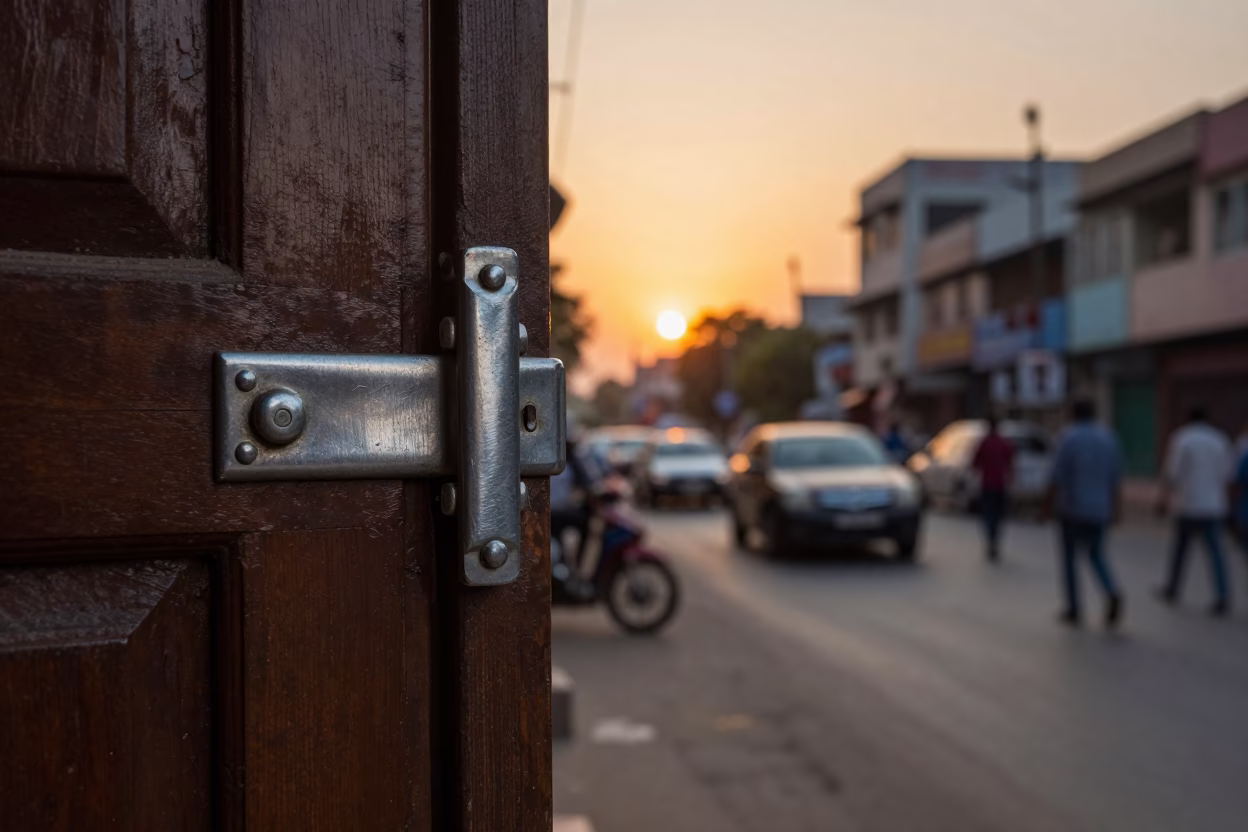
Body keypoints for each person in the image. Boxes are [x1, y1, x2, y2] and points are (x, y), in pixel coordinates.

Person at [1047, 399, 1124, 629]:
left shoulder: (1067, 438)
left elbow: (1056, 477)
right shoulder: (1108, 438)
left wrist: (1046, 506)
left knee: (1069, 559)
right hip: (1100, 508)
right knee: (1096, 553)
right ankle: (1111, 590)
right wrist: (1117, 509)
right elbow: (1115, 478)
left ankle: (1074, 608)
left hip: (1073, 508)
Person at [1155, 407, 1234, 615]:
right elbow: (1228, 474)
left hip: (1189, 504)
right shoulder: (1219, 440)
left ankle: (1173, 588)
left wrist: (1163, 500)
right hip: (1213, 505)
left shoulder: (1182, 439)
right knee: (1216, 553)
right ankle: (1222, 595)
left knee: (1181, 550)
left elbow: (1172, 473)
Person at [971, 416, 1015, 562]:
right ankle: (994, 541)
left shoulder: (985, 443)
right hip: (1000, 484)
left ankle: (991, 541)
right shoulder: (1003, 443)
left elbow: (975, 463)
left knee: (989, 515)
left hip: (988, 484)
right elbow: (1011, 463)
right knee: (997, 515)